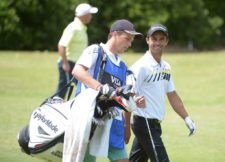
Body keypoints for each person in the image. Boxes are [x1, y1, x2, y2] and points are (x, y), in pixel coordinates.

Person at [62, 19, 145, 162]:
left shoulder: (124, 68)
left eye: (131, 41)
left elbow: (126, 97)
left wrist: (128, 122)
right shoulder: (95, 50)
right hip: (90, 121)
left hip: (114, 124)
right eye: (127, 39)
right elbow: (78, 71)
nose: (129, 44)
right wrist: (101, 88)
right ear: (114, 34)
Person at [127, 24, 197, 162]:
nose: (157, 42)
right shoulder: (140, 66)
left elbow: (172, 94)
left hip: (155, 124)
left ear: (166, 41)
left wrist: (187, 118)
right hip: (143, 122)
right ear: (148, 40)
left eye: (161, 39)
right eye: (154, 39)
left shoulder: (166, 67)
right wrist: (126, 126)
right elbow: (127, 93)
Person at [56, 3, 98, 99]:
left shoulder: (81, 27)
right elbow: (61, 45)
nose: (91, 17)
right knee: (63, 90)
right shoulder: (73, 27)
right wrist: (65, 63)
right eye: (90, 14)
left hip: (76, 64)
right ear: (84, 15)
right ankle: (54, 109)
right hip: (69, 64)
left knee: (83, 88)